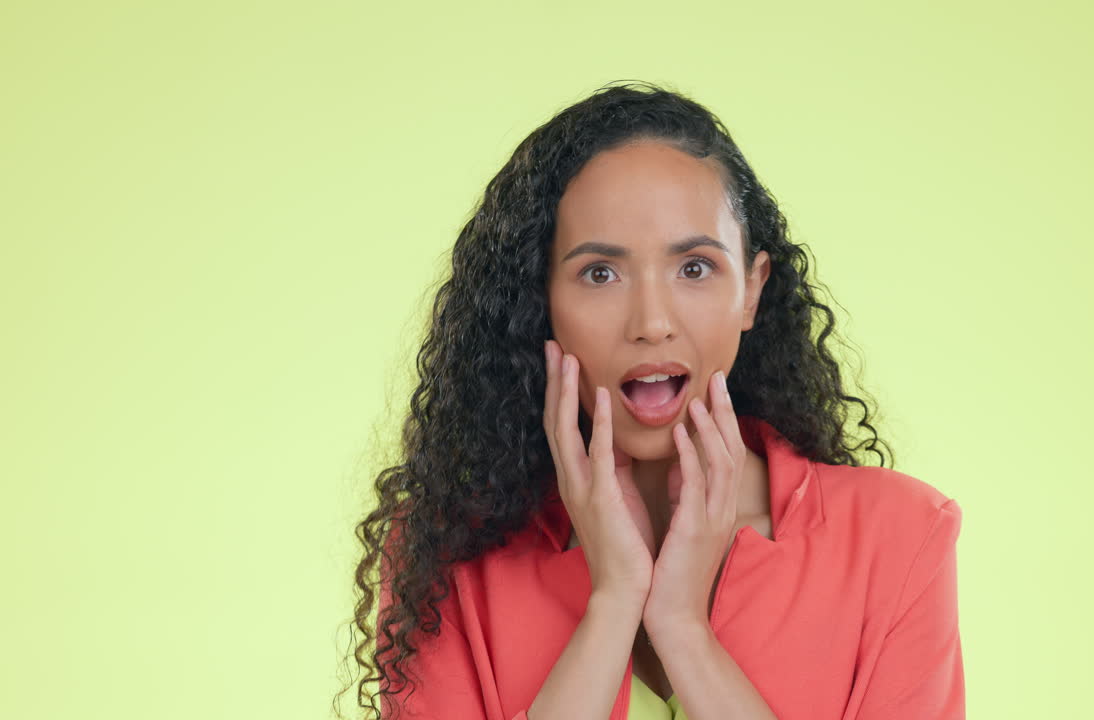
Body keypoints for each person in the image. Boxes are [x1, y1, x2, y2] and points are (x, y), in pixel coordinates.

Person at [339, 80, 965, 720]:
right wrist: (613, 603)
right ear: (540, 301)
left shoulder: (901, 536)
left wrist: (683, 628)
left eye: (694, 267)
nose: (652, 322)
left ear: (751, 290)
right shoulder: (445, 553)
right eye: (600, 273)